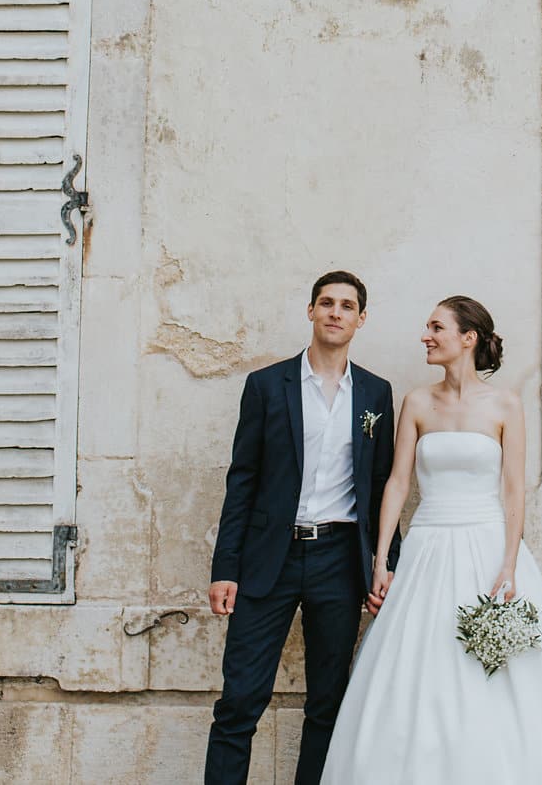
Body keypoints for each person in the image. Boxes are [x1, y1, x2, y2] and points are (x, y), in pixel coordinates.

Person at [319, 296, 542, 783]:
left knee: (494, 677)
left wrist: (509, 564)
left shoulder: (505, 404)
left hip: (486, 545)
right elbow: (396, 484)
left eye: (436, 327)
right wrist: (382, 561)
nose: (425, 336)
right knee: (418, 670)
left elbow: (514, 490)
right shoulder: (416, 401)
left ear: (467, 339)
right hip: (428, 547)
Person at [205, 271, 402, 785]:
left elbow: (382, 487)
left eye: (347, 306)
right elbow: (241, 479)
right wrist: (225, 568)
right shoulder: (267, 385)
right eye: (327, 303)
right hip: (269, 557)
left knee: (327, 705)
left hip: (339, 560)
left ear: (361, 319)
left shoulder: (376, 395)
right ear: (311, 312)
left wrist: (385, 565)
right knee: (240, 700)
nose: (336, 312)